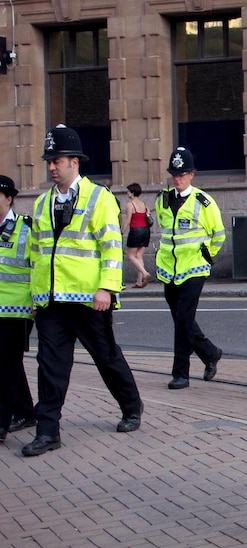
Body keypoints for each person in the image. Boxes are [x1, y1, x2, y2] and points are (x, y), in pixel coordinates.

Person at [24, 125, 143, 456]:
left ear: (74, 162)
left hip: (90, 300)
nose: (51, 166)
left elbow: (110, 246)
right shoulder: (41, 203)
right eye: (49, 161)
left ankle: (131, 407)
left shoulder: (98, 198)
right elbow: (37, 254)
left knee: (106, 357)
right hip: (51, 301)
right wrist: (35, 298)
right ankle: (48, 432)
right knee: (50, 365)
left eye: (57, 160)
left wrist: (107, 287)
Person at [155, 146, 225, 390]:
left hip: (194, 269)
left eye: (183, 173)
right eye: (175, 173)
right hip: (168, 269)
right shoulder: (162, 199)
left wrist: (206, 256)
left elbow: (218, 234)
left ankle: (180, 373)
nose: (178, 177)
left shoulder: (203, 202)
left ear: (192, 174)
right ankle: (210, 353)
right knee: (181, 320)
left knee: (184, 319)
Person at [0, 175, 36, 443]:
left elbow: (39, 266)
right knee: (10, 364)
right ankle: (25, 411)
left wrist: (37, 302)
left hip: (17, 310)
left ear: (9, 198)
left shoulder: (26, 229)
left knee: (5, 366)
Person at [121, 183, 152, 288]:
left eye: (128, 191)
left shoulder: (130, 205)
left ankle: (145, 273)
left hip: (136, 231)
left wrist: (121, 231)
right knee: (139, 255)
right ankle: (139, 282)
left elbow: (128, 220)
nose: (127, 193)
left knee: (130, 255)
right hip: (146, 231)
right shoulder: (144, 204)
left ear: (132, 193)